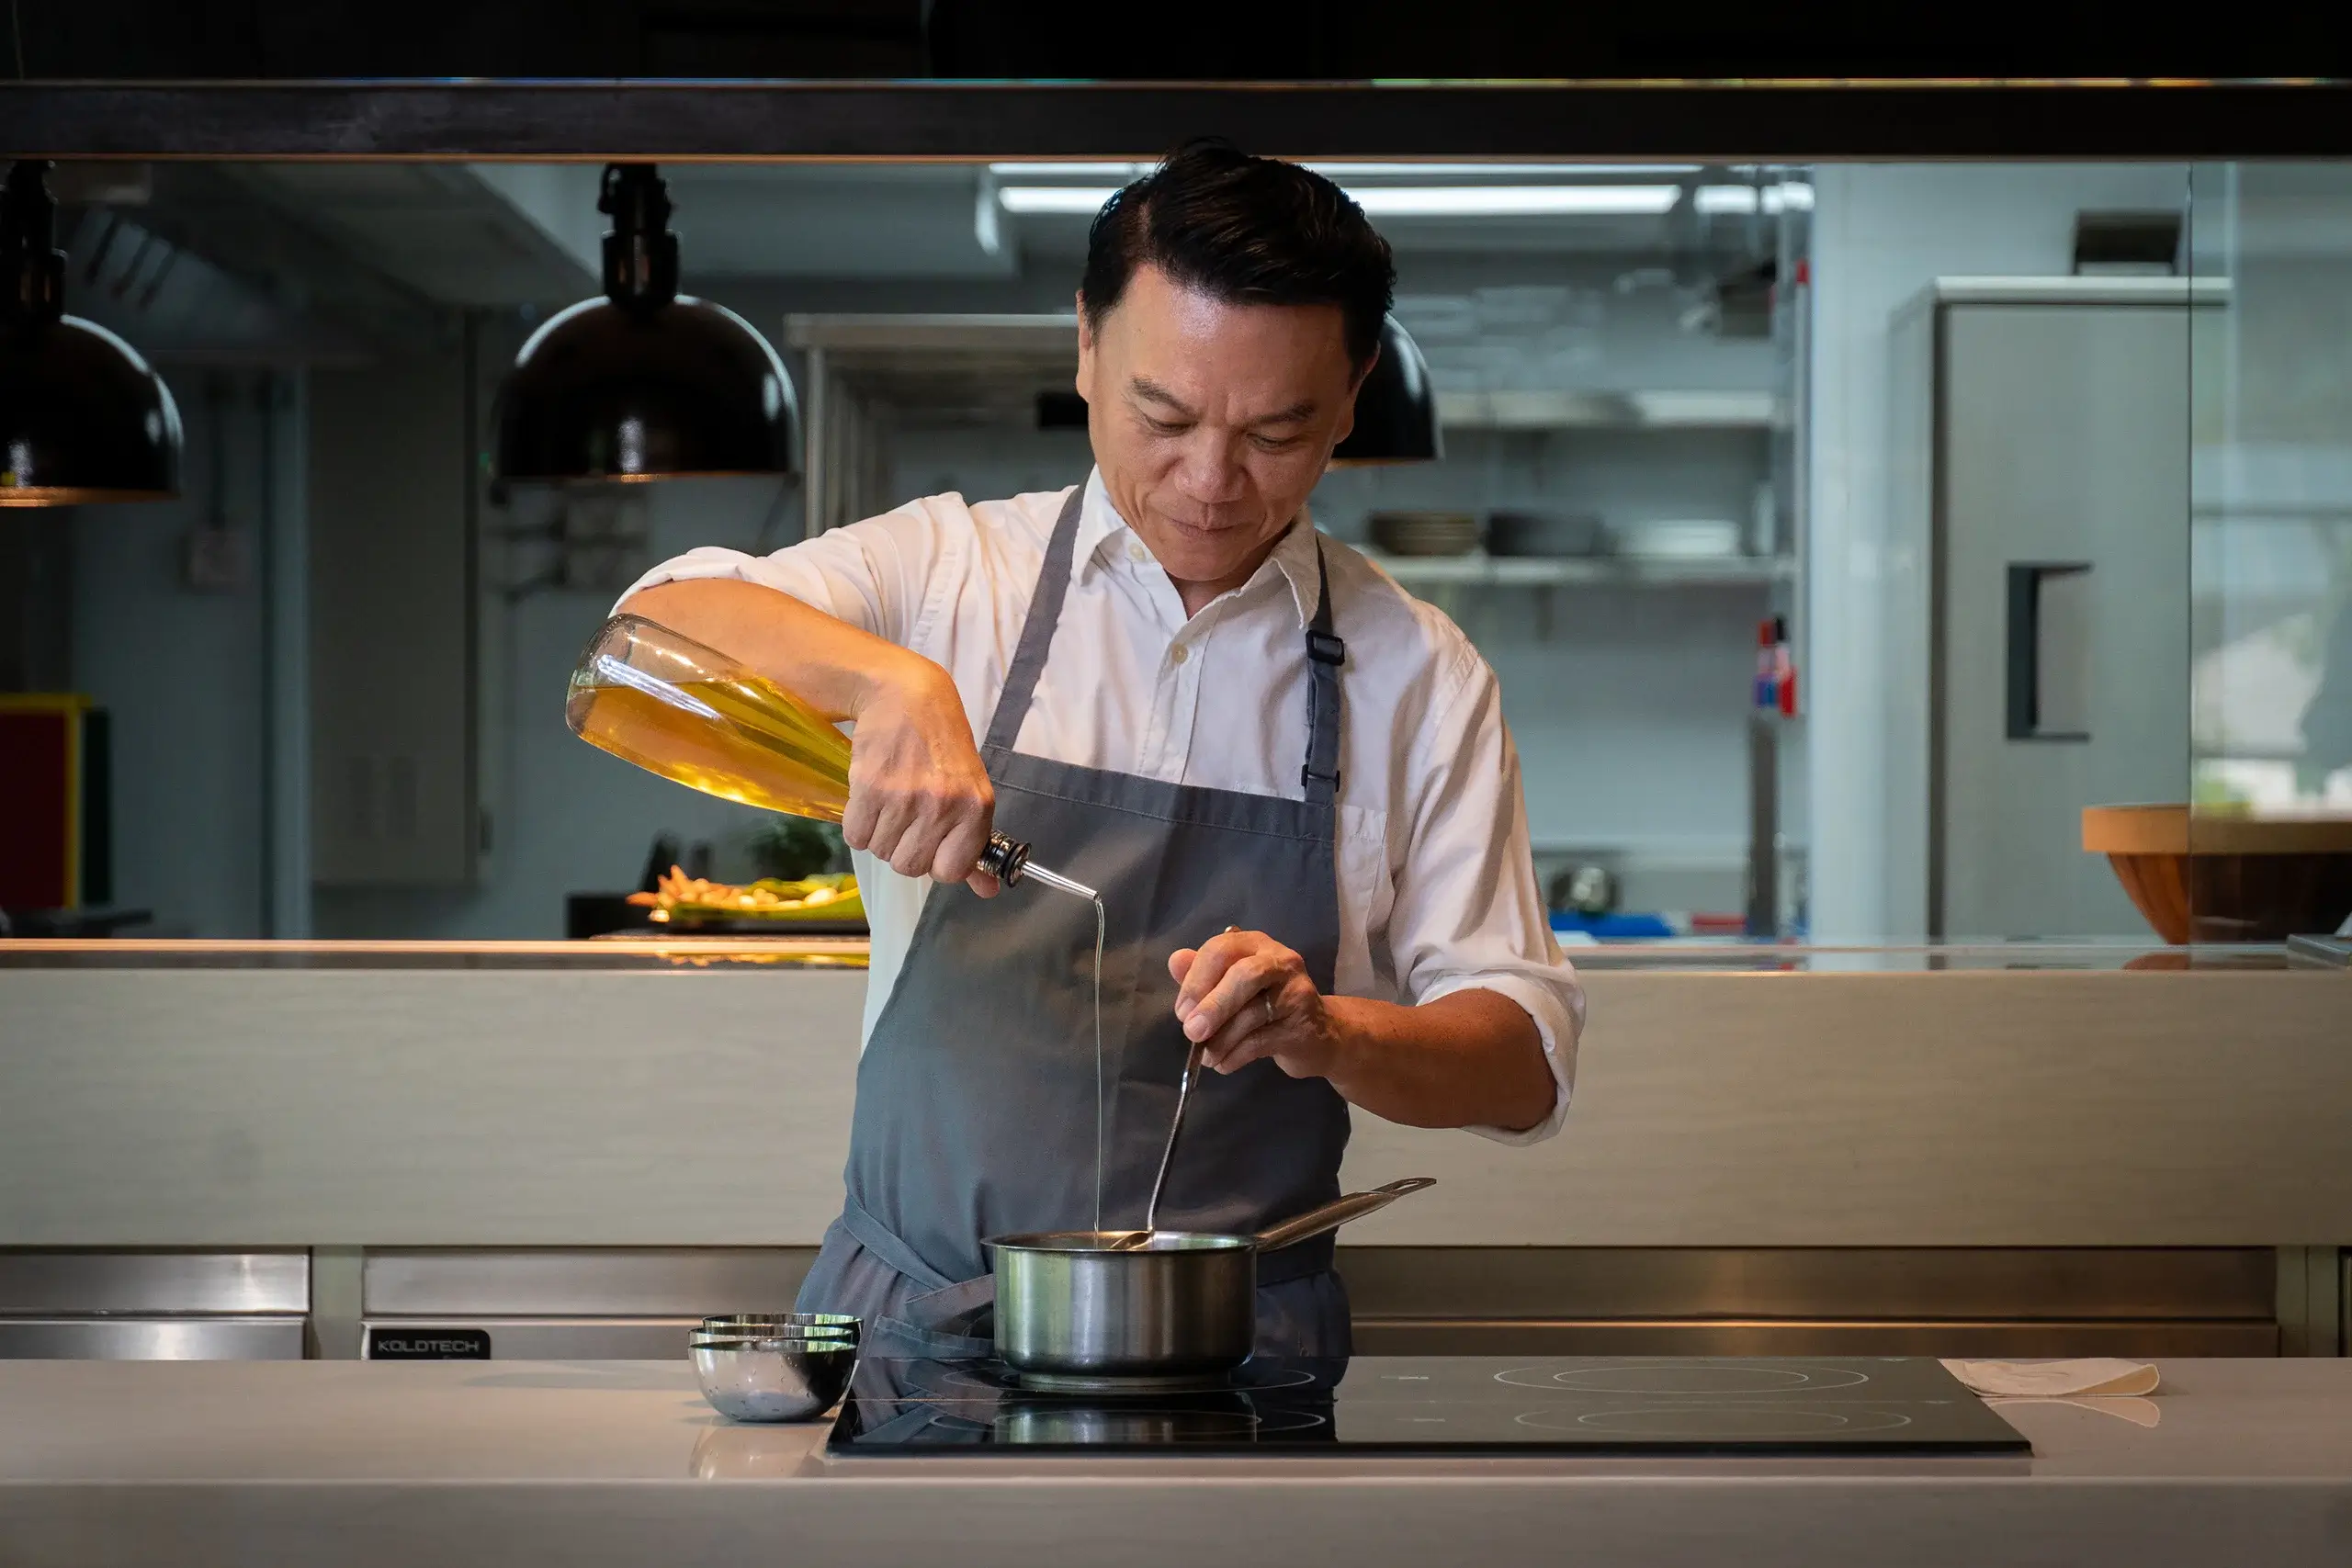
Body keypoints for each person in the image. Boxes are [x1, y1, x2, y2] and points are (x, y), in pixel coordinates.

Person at [616, 140, 1584, 1359]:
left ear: (1352, 395)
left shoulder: (1420, 674)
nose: (1212, 481)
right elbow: (650, 625)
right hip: (912, 1326)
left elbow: (1523, 1062)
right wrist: (890, 681)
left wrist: (1325, 1030)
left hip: (1235, 1356)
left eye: (1278, 432)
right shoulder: (947, 576)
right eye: (1163, 415)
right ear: (1085, 345)